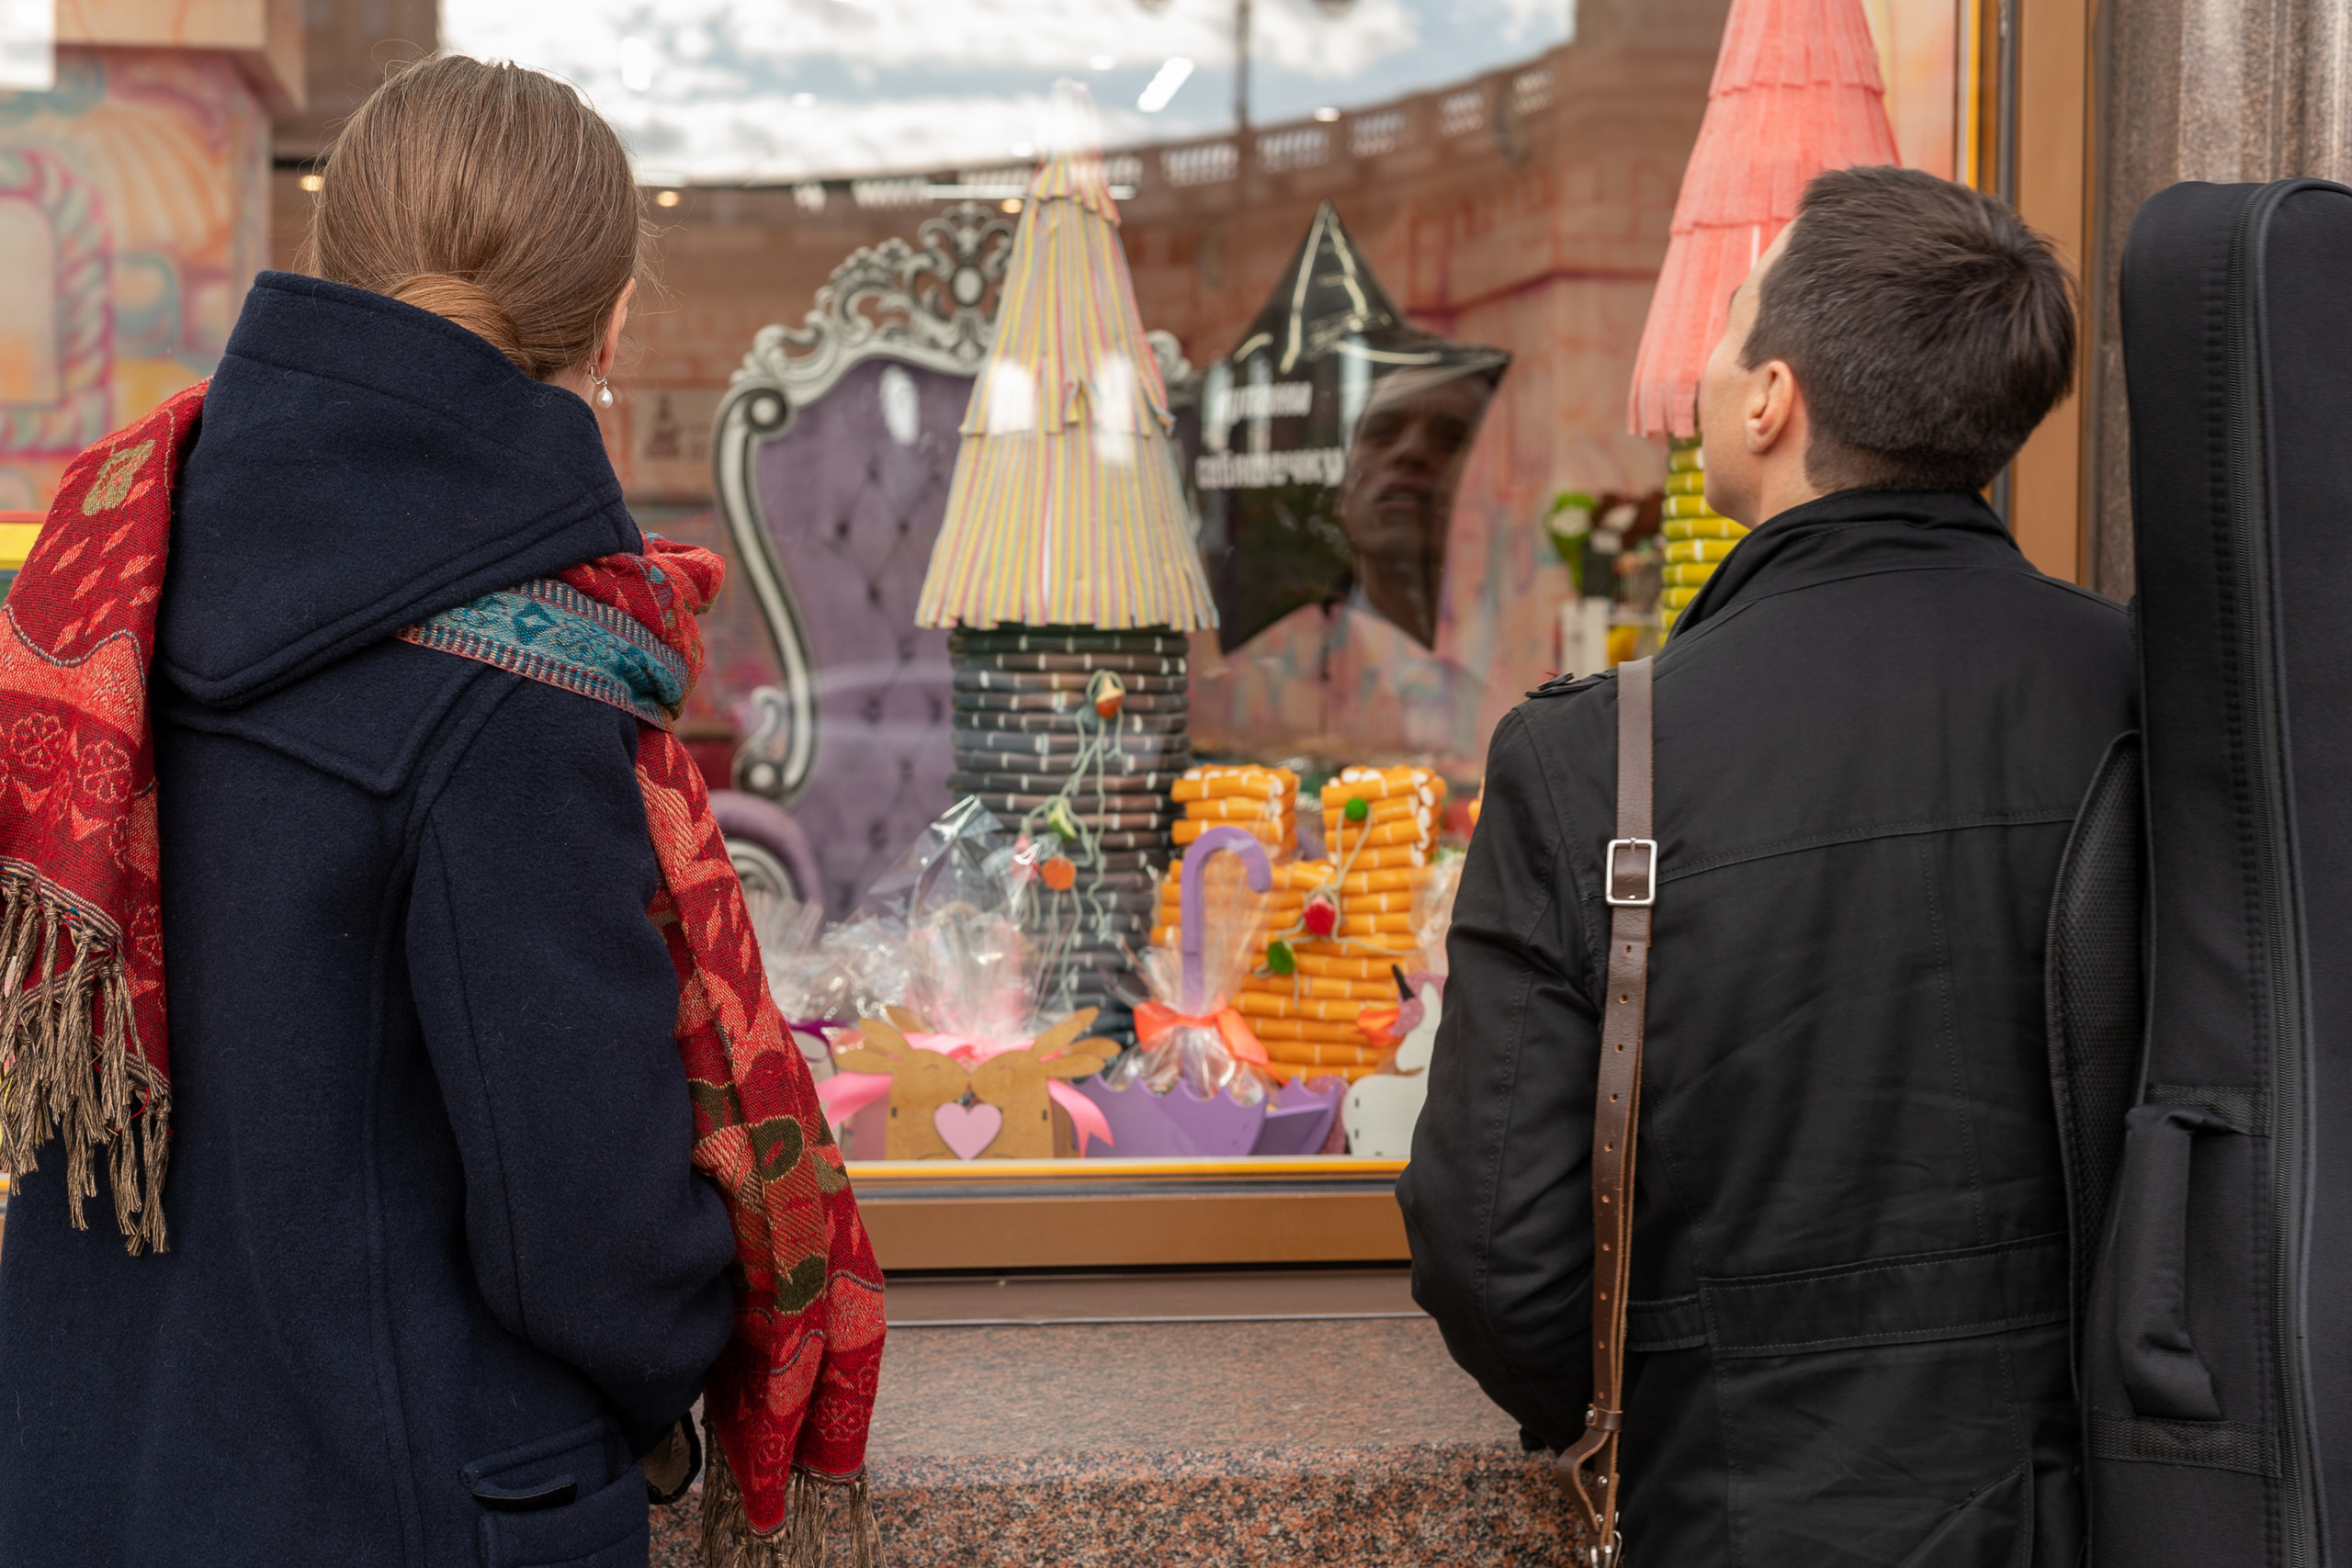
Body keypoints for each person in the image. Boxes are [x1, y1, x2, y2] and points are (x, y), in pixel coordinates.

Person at [0, 58, 752, 1564]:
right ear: (609, 323)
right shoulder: (522, 663)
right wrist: (691, 1343)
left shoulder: (116, 559)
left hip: (86, 1466)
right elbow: (583, 1230)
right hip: (391, 1504)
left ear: (341, 272)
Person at [1399, 166, 2132, 1566]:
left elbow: (1499, 1250)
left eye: (1728, 319)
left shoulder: (1595, 756)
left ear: (1769, 399)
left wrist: (1648, 1408)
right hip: (2100, 1501)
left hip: (1736, 1503)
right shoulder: (2152, 693)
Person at [1333, 365, 1498, 648]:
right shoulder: (1290, 664)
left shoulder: (1532, 649)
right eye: (1381, 432)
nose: (1411, 450)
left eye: (1452, 439)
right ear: (1342, 493)